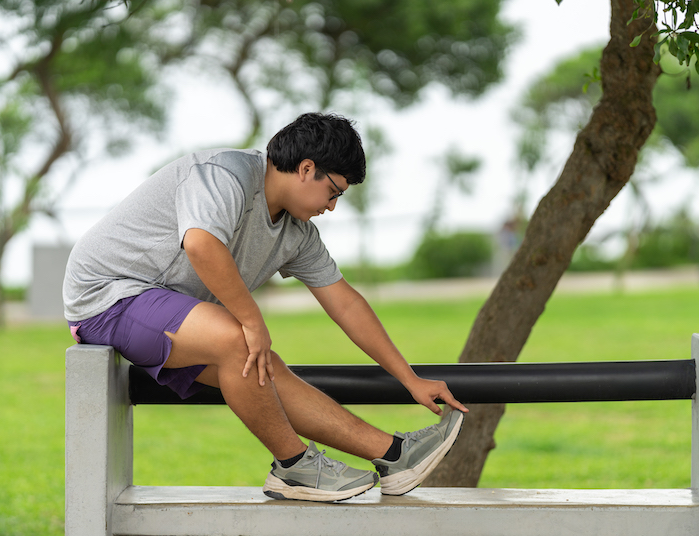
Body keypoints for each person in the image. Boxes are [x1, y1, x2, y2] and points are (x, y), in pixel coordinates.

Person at [63, 112, 467, 502]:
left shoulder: (298, 233)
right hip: (107, 297)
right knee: (240, 338)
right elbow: (202, 244)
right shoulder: (225, 174)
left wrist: (409, 378)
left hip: (170, 313)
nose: (332, 207)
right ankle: (294, 466)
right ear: (307, 168)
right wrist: (252, 322)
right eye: (334, 192)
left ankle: (395, 455)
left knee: (261, 363)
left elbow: (345, 303)